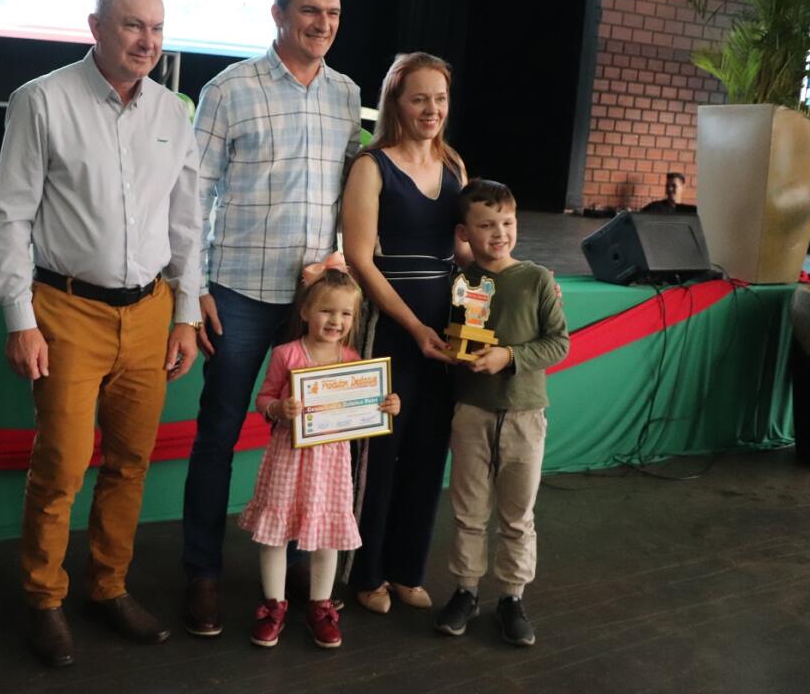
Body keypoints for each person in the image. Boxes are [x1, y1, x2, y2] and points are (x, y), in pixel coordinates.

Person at [0, 0, 204, 668]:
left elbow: (186, 224)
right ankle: (43, 598)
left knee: (130, 464)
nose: (148, 41)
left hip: (150, 314)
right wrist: (19, 318)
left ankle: (108, 586)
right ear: (96, 26)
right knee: (60, 466)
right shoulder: (42, 100)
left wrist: (186, 314)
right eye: (134, 25)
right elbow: (10, 217)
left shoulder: (173, 112)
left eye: (157, 28)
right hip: (66, 312)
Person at [181, 0, 362, 637]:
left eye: (333, 13)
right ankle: (202, 574)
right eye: (310, 10)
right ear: (279, 14)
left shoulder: (347, 95)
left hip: (316, 305)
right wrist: (193, 287)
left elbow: (351, 194)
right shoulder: (229, 89)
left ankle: (307, 582)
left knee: (320, 439)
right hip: (238, 292)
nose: (323, 23)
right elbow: (191, 194)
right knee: (219, 436)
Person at [340, 52, 467, 614]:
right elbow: (359, 259)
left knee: (428, 451)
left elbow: (465, 250)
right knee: (377, 453)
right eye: (419, 98)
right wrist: (414, 327)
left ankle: (406, 570)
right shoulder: (371, 166)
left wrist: (521, 276)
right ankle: (365, 574)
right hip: (391, 328)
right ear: (396, 102)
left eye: (440, 98)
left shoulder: (455, 164)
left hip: (445, 331)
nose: (431, 109)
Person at [238, 259, 401, 650]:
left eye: (345, 314)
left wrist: (387, 405)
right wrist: (278, 408)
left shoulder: (353, 361)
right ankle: (273, 605)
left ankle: (320, 606)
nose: (336, 321)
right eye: (327, 311)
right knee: (276, 534)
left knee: (329, 535)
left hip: (332, 463)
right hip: (289, 457)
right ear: (305, 312)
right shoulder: (287, 355)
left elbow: (368, 405)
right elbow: (263, 398)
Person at [433, 179, 569, 647]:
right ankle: (466, 591)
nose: (499, 233)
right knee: (468, 512)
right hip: (471, 411)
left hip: (525, 413)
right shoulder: (461, 282)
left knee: (517, 515)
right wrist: (453, 351)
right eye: (486, 225)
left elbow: (559, 343)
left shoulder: (537, 279)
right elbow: (454, 336)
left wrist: (508, 357)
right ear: (464, 233)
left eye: (507, 223)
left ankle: (512, 596)